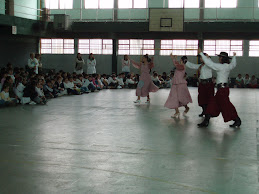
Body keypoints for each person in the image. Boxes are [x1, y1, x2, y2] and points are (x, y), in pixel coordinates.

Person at [197, 49, 241, 128]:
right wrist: (234, 56)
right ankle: (206, 120)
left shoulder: (221, 67)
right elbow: (234, 64)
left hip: (222, 90)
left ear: (222, 58)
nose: (219, 58)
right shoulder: (228, 66)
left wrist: (201, 54)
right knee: (214, 103)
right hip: (223, 90)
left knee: (226, 105)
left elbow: (210, 64)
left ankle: (237, 120)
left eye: (220, 57)